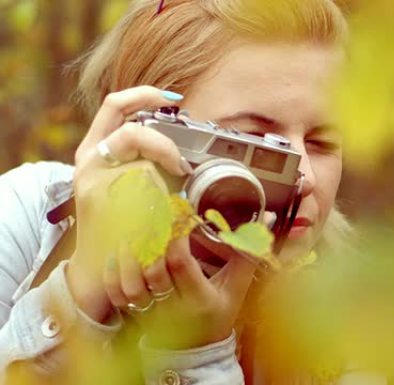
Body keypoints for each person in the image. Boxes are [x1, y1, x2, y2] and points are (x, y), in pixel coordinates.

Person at [0, 0, 358, 384]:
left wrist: (201, 356)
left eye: (321, 142)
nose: (306, 178)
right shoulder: (31, 216)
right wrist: (79, 291)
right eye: (258, 143)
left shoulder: (352, 326)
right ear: (151, 127)